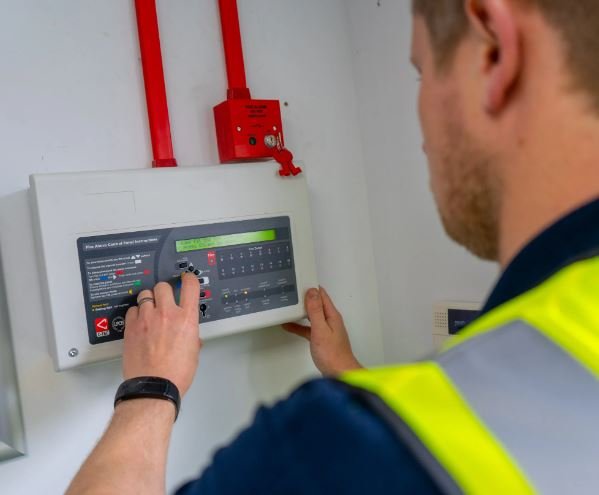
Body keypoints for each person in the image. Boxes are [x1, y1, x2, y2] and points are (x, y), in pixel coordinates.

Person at [67, 0, 599, 493]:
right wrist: (347, 367)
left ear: (494, 53)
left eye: (423, 74)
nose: (422, 135)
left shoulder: (328, 446)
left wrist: (150, 387)